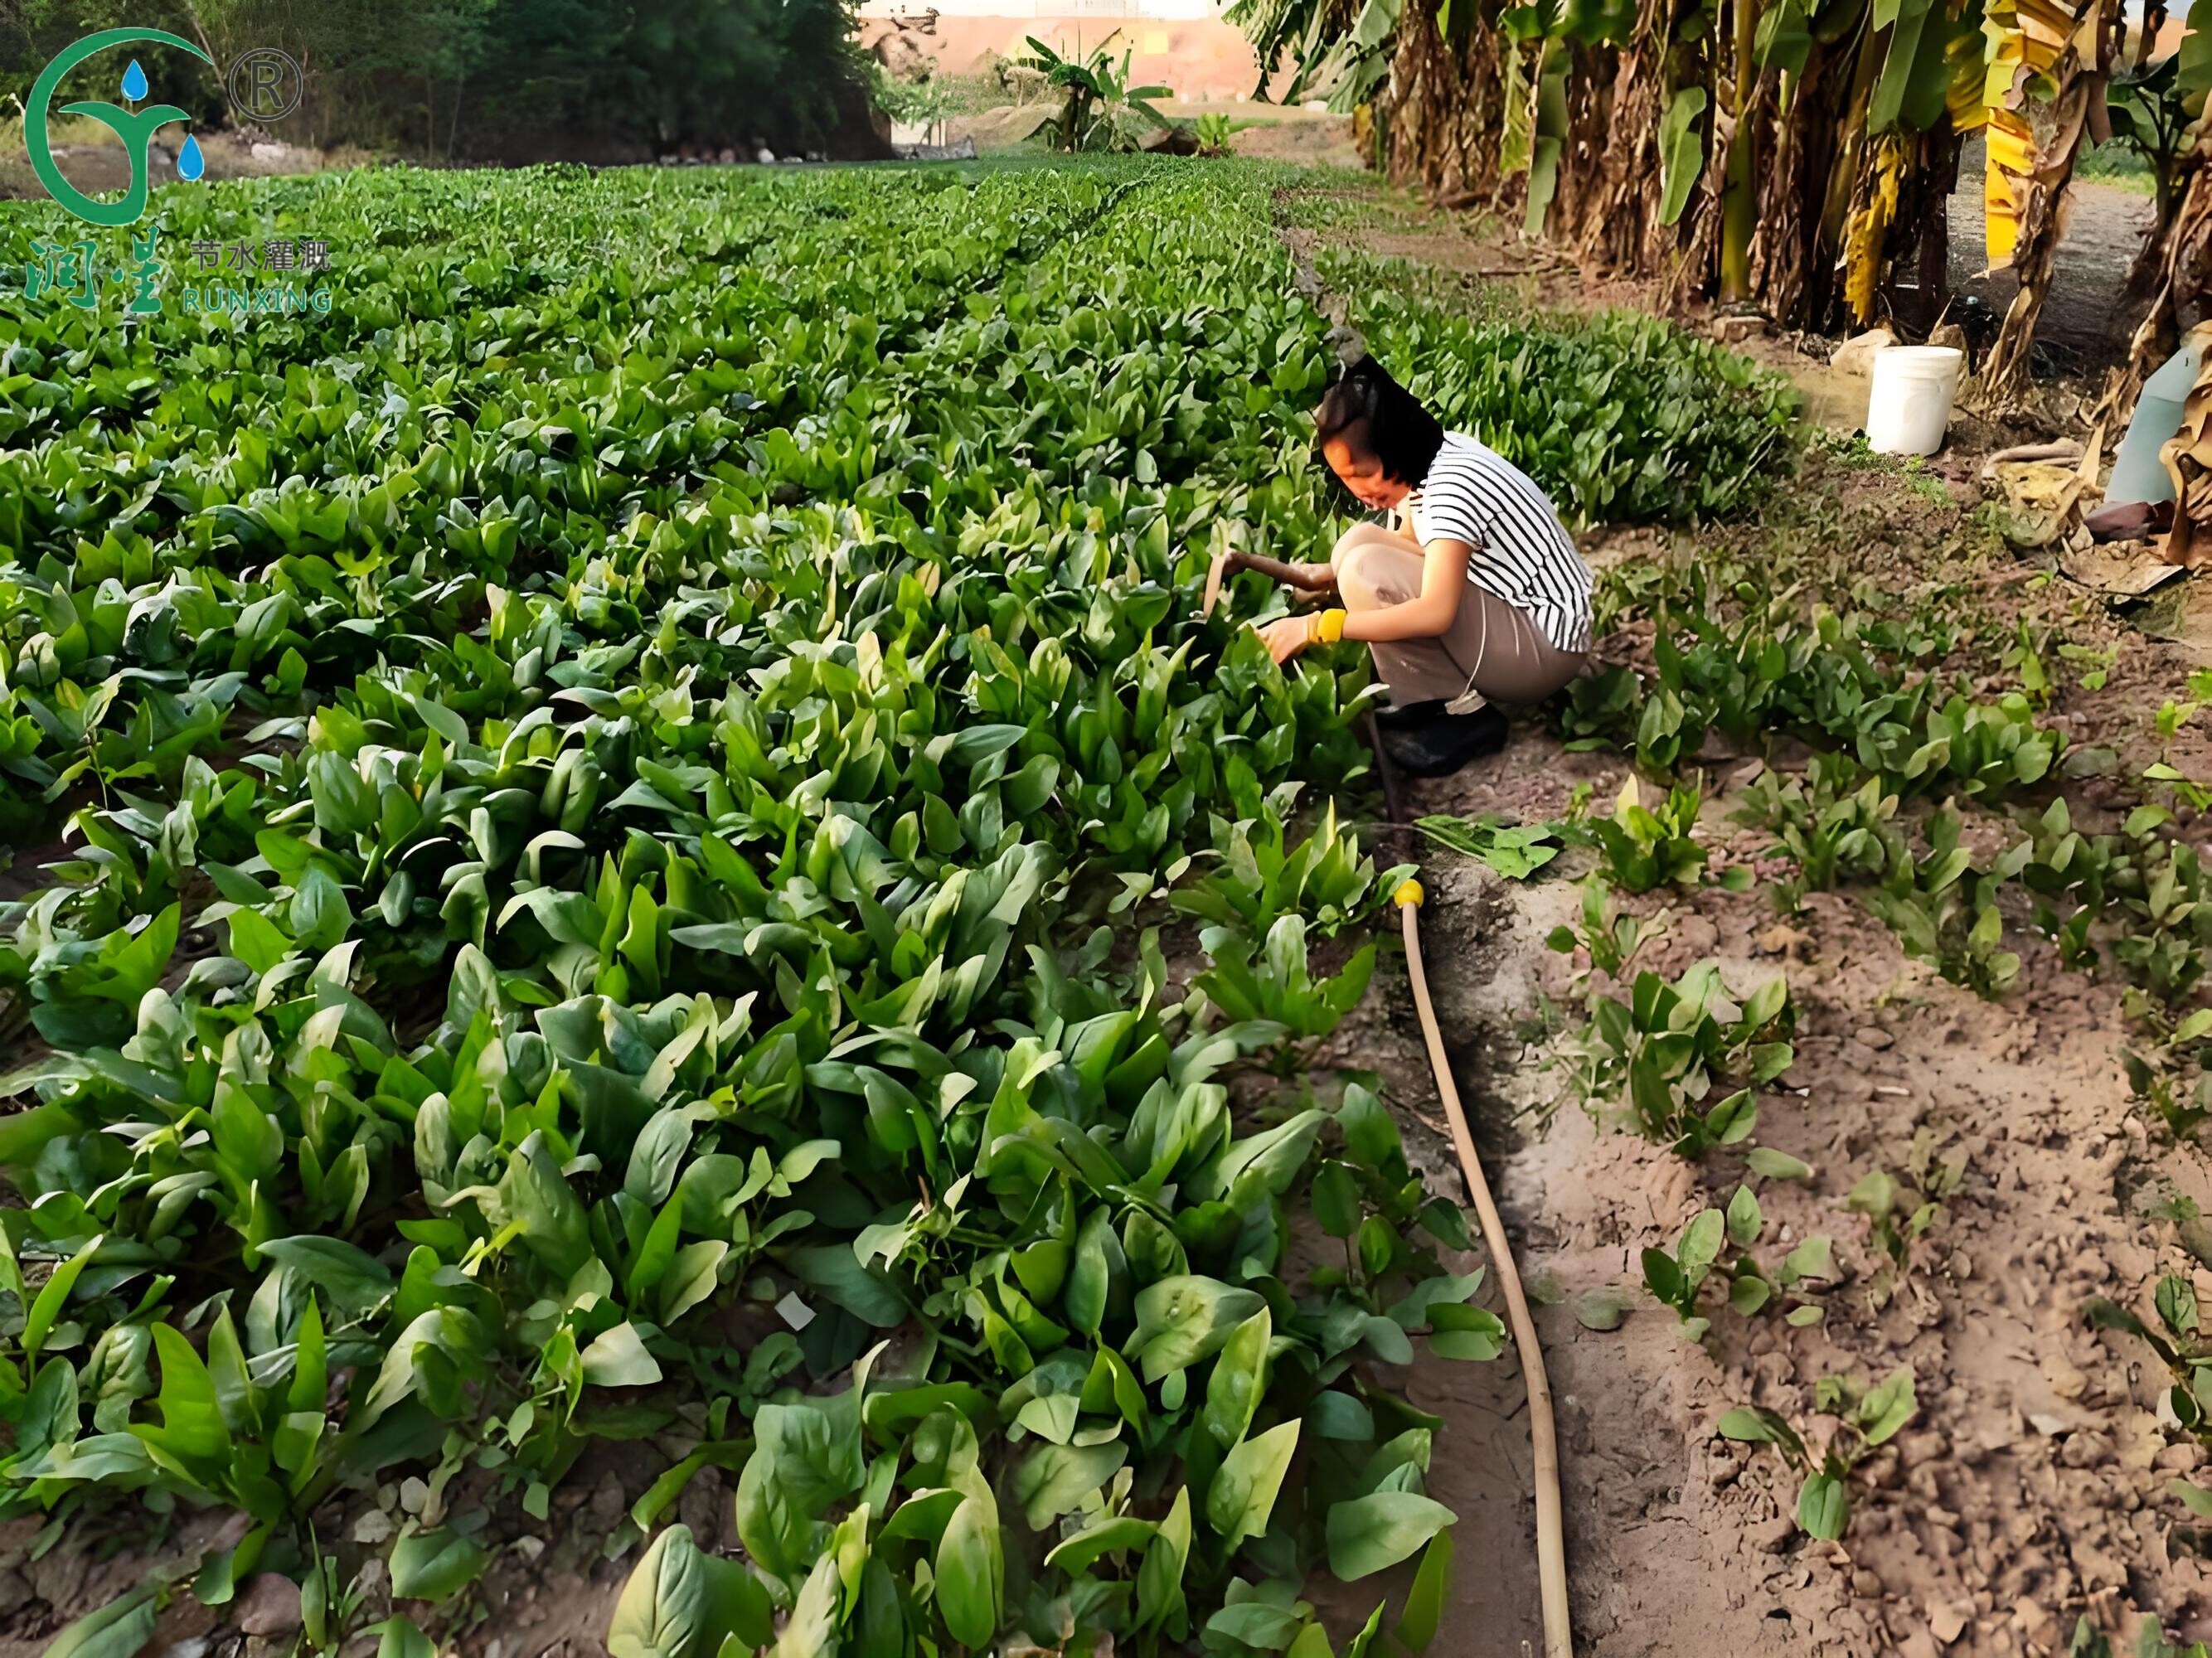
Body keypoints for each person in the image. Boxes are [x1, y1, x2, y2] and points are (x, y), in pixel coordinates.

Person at [1256, 355, 1594, 776]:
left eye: (1361, 474)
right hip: (1522, 611)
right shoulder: (1430, 456)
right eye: (1344, 478)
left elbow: (1435, 611)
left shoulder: (1451, 492)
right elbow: (1406, 544)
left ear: (1390, 449)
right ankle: (1429, 699)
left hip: (1545, 646)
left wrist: (1318, 627)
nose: (1356, 490)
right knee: (1356, 546)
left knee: (1366, 571)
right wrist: (1325, 575)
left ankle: (1460, 716)